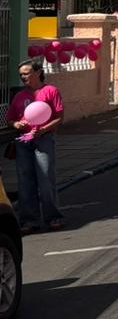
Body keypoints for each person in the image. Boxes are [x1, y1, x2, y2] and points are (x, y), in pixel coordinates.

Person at [6, 58, 65, 233]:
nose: (23, 77)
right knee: (25, 181)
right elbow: (10, 119)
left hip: (43, 139)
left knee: (46, 178)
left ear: (38, 72)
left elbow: (59, 117)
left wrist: (44, 129)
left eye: (26, 73)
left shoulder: (50, 91)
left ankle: (53, 217)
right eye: (21, 75)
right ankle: (29, 220)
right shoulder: (19, 96)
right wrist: (16, 125)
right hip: (23, 141)